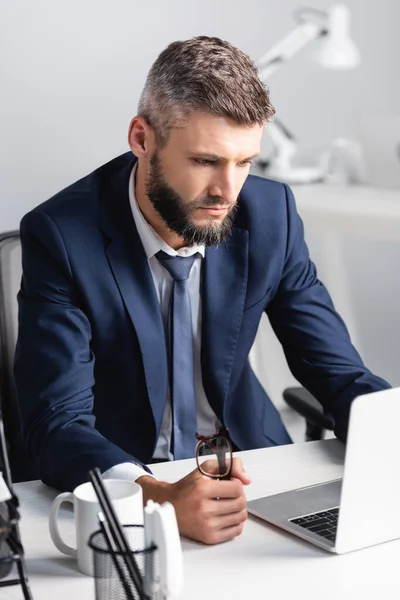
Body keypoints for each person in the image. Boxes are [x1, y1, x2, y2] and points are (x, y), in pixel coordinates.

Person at [14, 36, 390, 545]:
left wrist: (389, 442)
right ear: (142, 138)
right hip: (128, 482)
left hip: (256, 469)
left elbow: (340, 373)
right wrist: (157, 496)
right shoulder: (62, 236)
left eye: (245, 162)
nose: (227, 192)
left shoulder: (271, 214)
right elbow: (56, 422)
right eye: (205, 161)